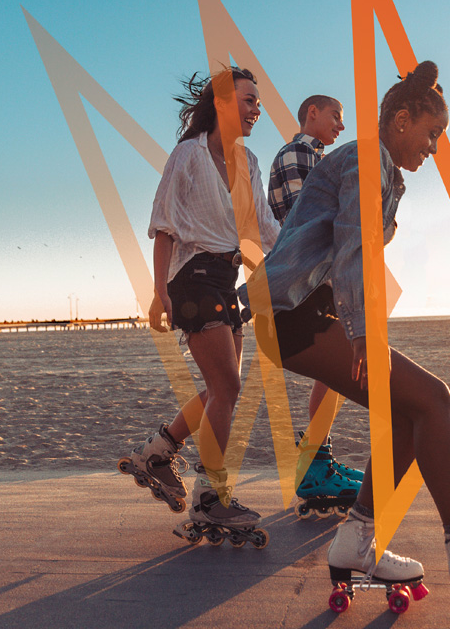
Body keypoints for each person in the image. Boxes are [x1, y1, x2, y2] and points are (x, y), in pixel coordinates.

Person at [245, 61, 450, 595]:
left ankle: (356, 541)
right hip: (293, 315)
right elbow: (352, 246)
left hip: (301, 314)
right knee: (433, 399)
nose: (433, 148)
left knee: (414, 412)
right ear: (402, 120)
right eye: (432, 135)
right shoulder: (366, 160)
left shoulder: (379, 168)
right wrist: (363, 332)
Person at [120, 67, 280, 543]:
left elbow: (264, 228)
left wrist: (310, 249)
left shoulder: (248, 162)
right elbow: (164, 222)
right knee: (227, 385)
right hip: (191, 278)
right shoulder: (188, 154)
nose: (257, 110)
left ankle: (157, 452)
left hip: (226, 280)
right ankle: (212, 498)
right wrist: (159, 292)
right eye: (250, 100)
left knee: (218, 390)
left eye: (259, 103)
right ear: (224, 103)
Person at [266, 95, 363, 512]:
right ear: (312, 114)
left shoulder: (316, 158)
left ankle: (316, 458)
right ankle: (313, 462)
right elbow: (310, 221)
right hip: (304, 283)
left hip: (318, 280)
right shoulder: (298, 155)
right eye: (336, 116)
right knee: (339, 366)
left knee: (337, 371)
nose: (341, 125)